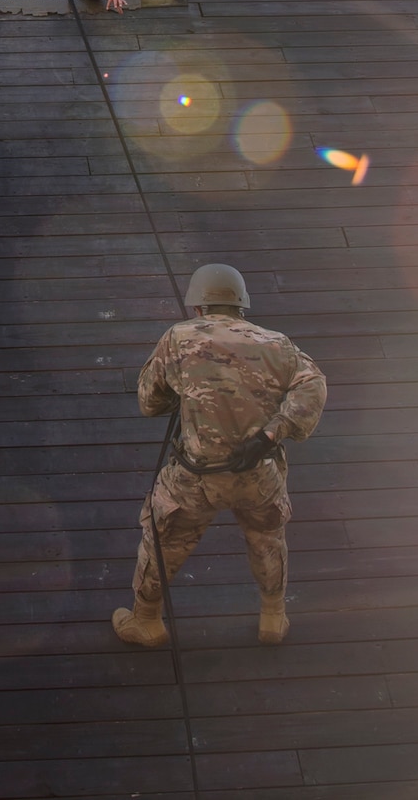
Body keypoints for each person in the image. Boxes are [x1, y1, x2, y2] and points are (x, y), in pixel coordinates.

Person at [112, 264, 327, 649]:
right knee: (267, 538)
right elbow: (312, 385)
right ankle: (273, 618)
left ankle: (146, 621)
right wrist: (271, 432)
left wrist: (184, 394)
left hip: (196, 476)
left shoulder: (179, 337)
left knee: (165, 540)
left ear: (197, 306)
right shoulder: (277, 343)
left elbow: (149, 401)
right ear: (241, 305)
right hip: (258, 472)